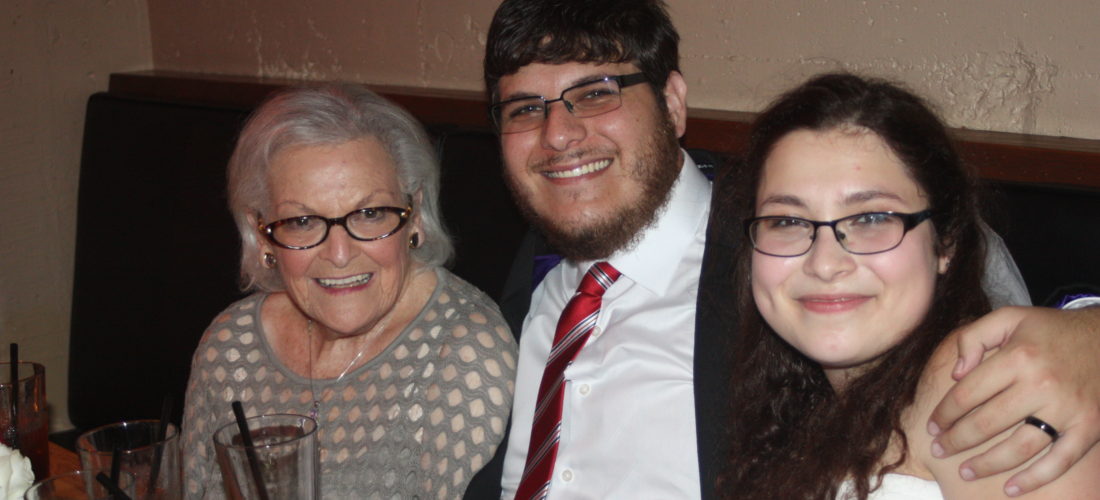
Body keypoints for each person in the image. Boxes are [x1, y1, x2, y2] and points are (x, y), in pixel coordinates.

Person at [469, 1, 1100, 498]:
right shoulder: (533, 263)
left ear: (672, 102)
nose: (558, 135)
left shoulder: (775, 239)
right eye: (524, 109)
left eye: (597, 91)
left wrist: (1089, 334)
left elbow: (980, 292)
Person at [718, 72, 1100, 499]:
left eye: (871, 219)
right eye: (787, 221)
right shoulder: (796, 404)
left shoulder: (974, 391)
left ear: (945, 242)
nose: (825, 263)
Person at [180, 85, 517, 499]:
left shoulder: (463, 354)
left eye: (370, 214)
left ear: (415, 215)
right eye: (303, 221)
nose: (339, 254)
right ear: (260, 233)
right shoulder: (231, 346)